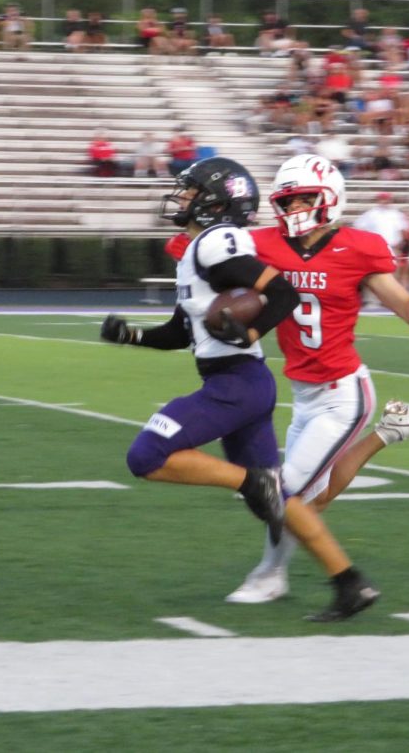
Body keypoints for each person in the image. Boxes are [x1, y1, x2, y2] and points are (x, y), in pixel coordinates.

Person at [99, 157, 380, 621]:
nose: (182, 198)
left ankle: (255, 482)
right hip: (239, 382)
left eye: (191, 192)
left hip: (237, 384)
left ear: (216, 201)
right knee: (278, 505)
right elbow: (179, 332)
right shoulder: (197, 250)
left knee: (146, 456)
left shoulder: (214, 242)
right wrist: (131, 336)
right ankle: (350, 582)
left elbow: (284, 293)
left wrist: (250, 334)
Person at [225, 154, 409, 605]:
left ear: (329, 199)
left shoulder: (361, 247)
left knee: (286, 494)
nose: (294, 209)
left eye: (304, 198)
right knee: (310, 495)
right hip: (302, 391)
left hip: (344, 391)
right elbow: (200, 250)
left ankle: (270, 575)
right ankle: (389, 432)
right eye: (287, 201)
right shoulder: (264, 242)